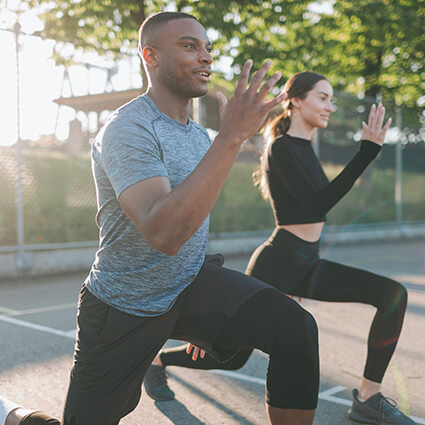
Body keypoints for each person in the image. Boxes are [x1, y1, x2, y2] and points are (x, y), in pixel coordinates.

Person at [1, 13, 322, 425]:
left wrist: (212, 315)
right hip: (124, 306)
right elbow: (164, 232)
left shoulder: (195, 133)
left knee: (295, 329)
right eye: (190, 46)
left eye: (207, 48)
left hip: (188, 285)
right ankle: (17, 416)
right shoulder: (127, 128)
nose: (205, 57)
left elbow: (193, 219)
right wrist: (231, 137)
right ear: (150, 56)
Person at [147, 72, 415, 425]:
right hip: (279, 262)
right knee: (227, 355)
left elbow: (318, 204)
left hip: (308, 262)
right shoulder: (282, 147)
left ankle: (367, 398)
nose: (329, 106)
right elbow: (317, 205)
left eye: (331, 99)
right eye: (322, 97)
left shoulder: (304, 148)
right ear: (296, 99)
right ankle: (157, 361)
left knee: (392, 294)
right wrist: (366, 152)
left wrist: (367, 152)